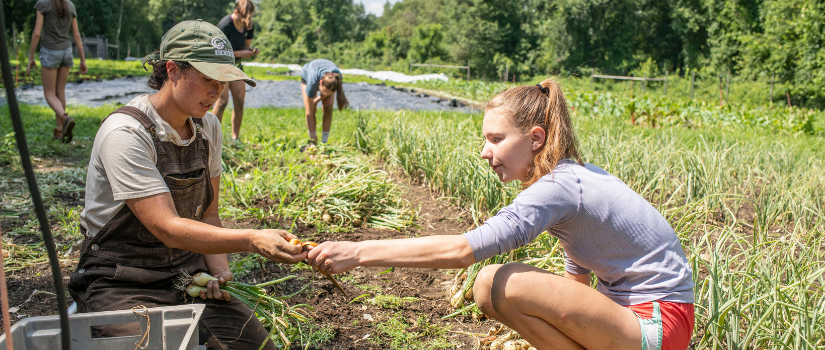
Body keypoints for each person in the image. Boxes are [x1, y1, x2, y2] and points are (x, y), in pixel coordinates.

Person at [307, 78, 696, 350]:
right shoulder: (568, 180)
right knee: (487, 288)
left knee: (500, 278)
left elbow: (464, 250)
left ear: (536, 139)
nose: (484, 151)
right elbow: (576, 279)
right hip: (637, 320)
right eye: (484, 139)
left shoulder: (559, 187)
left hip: (656, 325)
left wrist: (357, 254)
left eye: (496, 139)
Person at [67, 20, 305, 350]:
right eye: (208, 79)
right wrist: (251, 239)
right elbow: (166, 226)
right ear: (173, 71)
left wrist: (220, 276)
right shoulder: (127, 133)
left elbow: (208, 215)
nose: (217, 92)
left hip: (184, 275)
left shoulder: (208, 128)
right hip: (121, 280)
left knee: (255, 346)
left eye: (223, 82)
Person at [27, 0, 87, 143]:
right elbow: (77, 35)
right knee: (60, 92)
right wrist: (83, 60)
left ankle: (65, 117)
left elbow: (36, 32)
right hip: (66, 51)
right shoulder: (70, 5)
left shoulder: (43, 4)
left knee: (49, 93)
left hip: (50, 51)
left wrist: (30, 57)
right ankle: (60, 130)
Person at [211, 0, 258, 141]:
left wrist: (251, 51)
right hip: (221, 65)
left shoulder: (249, 26)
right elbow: (216, 51)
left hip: (236, 66)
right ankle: (211, 136)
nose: (245, 23)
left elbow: (245, 46)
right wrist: (240, 53)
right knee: (222, 101)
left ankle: (235, 138)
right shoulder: (225, 25)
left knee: (239, 101)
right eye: (243, 19)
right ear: (235, 12)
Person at [300, 59, 349, 144]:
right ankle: (312, 139)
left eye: (328, 94)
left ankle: (324, 142)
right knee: (311, 109)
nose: (325, 95)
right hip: (307, 75)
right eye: (324, 93)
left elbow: (326, 94)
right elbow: (309, 110)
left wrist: (321, 97)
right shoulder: (312, 81)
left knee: (328, 108)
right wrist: (312, 134)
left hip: (328, 81)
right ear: (320, 82)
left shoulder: (335, 80)